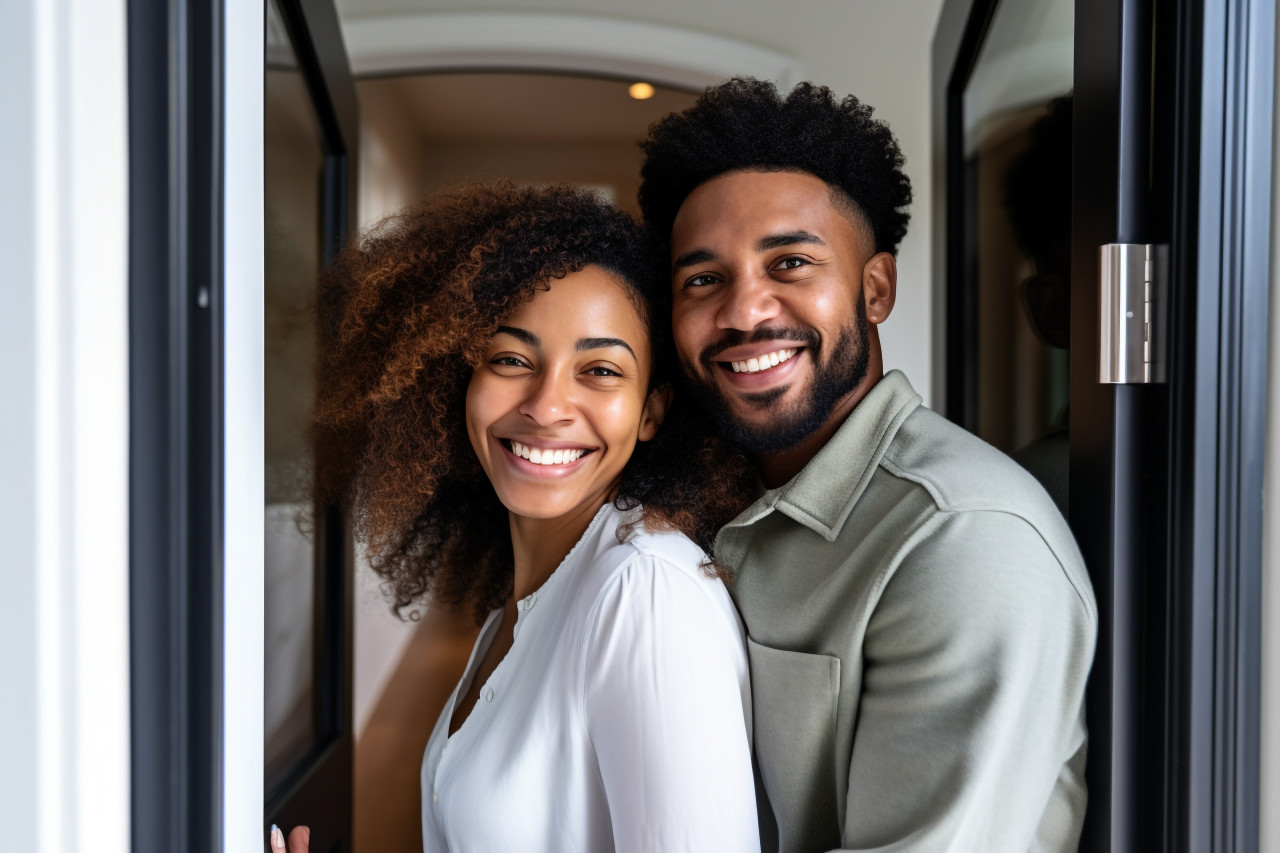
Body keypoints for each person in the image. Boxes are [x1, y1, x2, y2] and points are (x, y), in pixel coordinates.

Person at [638, 78, 1097, 851]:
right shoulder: (712, 495)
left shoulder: (963, 538)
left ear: (875, 286)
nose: (746, 311)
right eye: (704, 279)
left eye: (789, 263)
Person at [272, 183, 760, 852]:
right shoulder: (525, 599)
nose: (546, 403)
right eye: (510, 359)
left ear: (651, 411)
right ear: (459, 382)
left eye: (600, 370)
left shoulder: (643, 593)